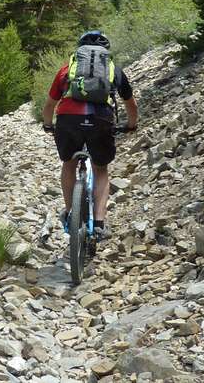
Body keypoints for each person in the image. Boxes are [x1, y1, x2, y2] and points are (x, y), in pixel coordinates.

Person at [41, 30, 138, 245]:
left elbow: (49, 105)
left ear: (79, 51)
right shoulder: (114, 70)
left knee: (68, 164)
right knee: (100, 168)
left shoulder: (66, 71)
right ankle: (100, 224)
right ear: (106, 51)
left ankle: (69, 212)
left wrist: (48, 125)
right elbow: (130, 104)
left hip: (68, 120)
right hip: (100, 121)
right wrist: (131, 125)